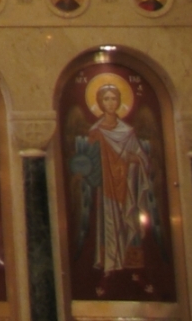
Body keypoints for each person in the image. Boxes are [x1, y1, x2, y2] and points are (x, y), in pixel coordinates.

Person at [69, 80, 159, 294]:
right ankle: (109, 269)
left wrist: (132, 159)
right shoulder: (96, 131)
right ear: (99, 103)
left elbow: (142, 159)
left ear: (120, 102)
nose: (110, 103)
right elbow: (87, 161)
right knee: (108, 226)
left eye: (114, 99)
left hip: (127, 187)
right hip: (106, 189)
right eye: (106, 99)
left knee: (130, 225)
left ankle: (136, 270)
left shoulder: (127, 131)